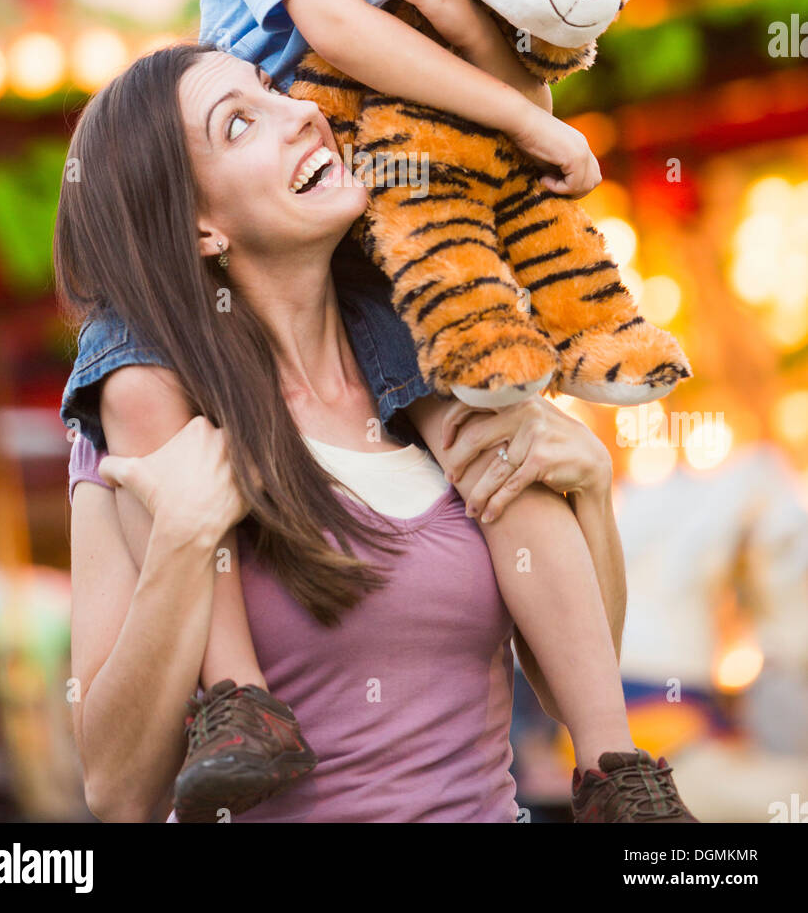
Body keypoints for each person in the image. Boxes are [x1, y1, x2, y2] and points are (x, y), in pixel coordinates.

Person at [57, 43, 698, 823]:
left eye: (273, 89)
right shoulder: (143, 445)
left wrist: (591, 491)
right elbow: (118, 796)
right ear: (199, 231)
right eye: (239, 125)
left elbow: (571, 692)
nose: (302, 113)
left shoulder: (434, 371)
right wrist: (184, 542)